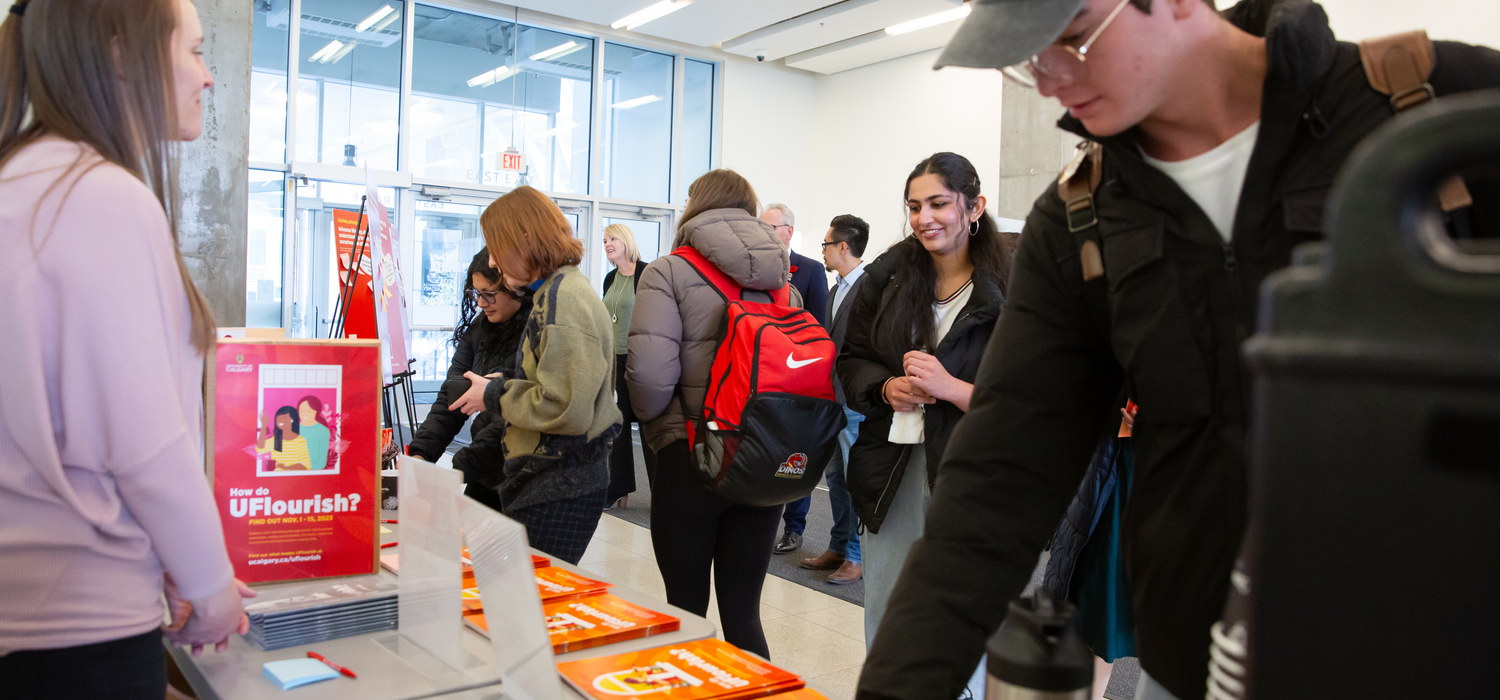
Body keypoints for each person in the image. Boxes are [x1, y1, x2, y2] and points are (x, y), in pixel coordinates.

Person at [856, 2, 1500, 699]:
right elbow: (997, 484)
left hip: (1443, 641)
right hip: (1196, 654)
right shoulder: (1081, 217)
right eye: (1027, 56)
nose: (1047, 81)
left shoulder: (1434, 99)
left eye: (1069, 39)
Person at [0, 0, 255, 696]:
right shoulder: (98, 196)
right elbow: (146, 447)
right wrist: (209, 587)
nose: (208, 77)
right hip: (79, 631)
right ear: (122, 54)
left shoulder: (23, 179)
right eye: (197, 51)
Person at [838, 152, 1008, 655]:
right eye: (914, 206)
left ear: (974, 206)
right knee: (891, 610)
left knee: (965, 616)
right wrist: (886, 387)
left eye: (938, 203)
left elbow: (1040, 400)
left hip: (974, 471)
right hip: (893, 466)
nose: (924, 218)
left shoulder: (1015, 285)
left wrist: (952, 388)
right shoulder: (888, 277)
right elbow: (850, 360)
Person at [628, 169, 801, 659]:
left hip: (694, 453)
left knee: (685, 612)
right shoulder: (782, 282)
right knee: (744, 615)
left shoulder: (668, 271)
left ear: (695, 205)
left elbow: (649, 379)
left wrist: (658, 432)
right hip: (765, 458)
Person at [448, 186, 620, 565]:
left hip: (560, 484)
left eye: (497, 247)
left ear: (523, 242)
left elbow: (564, 409)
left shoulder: (564, 299)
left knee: (527, 608)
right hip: (550, 480)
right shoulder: (554, 291)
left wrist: (494, 394)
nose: (493, 260)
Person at [408, 250, 531, 512]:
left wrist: (457, 470)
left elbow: (512, 420)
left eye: (489, 293)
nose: (481, 303)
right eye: (476, 293)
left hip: (526, 475)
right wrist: (420, 456)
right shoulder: (480, 328)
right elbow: (451, 398)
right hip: (485, 469)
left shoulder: (535, 333)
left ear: (515, 286)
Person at [798, 214, 872, 586]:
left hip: (856, 404)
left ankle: (858, 558)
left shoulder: (872, 287)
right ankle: (838, 547)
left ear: (843, 246)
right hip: (832, 400)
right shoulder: (835, 288)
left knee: (855, 482)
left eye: (826, 244)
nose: (823, 251)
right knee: (837, 480)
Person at [760, 202, 828, 555]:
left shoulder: (811, 270)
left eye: (771, 228)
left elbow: (819, 328)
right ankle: (762, 523)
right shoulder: (753, 268)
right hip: (764, 379)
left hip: (799, 378)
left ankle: (795, 528)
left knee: (794, 457)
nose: (765, 233)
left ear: (788, 231)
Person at [601, 223, 656, 509]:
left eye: (612, 239)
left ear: (625, 241)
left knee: (649, 426)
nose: (608, 244)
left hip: (641, 359)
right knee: (618, 425)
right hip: (615, 359)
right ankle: (619, 488)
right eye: (605, 241)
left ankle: (661, 493)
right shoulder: (610, 278)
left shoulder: (647, 272)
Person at [256, 406, 310, 471]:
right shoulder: (276, 440)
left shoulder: (300, 441)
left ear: (292, 420)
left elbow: (306, 466)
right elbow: (260, 449)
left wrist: (285, 468)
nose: (280, 420)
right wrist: (264, 425)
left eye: (284, 417)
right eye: (278, 418)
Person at [296, 397, 331, 470]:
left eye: (309, 411)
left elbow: (321, 463)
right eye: (301, 411)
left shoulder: (323, 431)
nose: (305, 414)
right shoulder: (293, 429)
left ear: (316, 411)